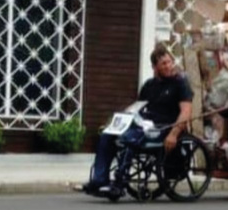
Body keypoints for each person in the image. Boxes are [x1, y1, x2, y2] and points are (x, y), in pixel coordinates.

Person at [82, 44, 193, 198]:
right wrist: (116, 122)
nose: (168, 66)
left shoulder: (180, 83)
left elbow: (186, 111)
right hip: (145, 125)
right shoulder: (149, 85)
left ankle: (119, 184)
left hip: (164, 128)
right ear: (155, 67)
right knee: (107, 135)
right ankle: (99, 180)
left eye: (169, 62)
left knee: (130, 138)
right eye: (163, 64)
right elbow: (137, 108)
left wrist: (174, 134)